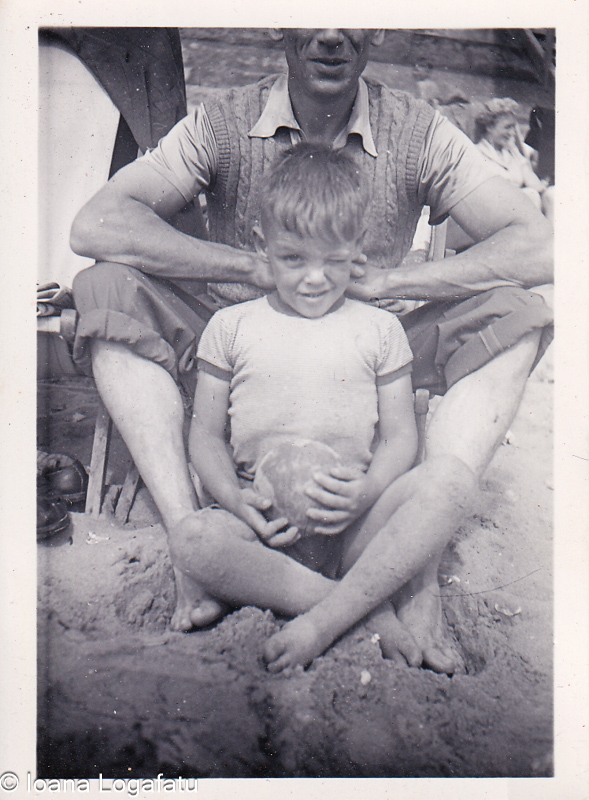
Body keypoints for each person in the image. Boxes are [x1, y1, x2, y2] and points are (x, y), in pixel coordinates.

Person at [70, 29, 553, 673]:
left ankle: (413, 571)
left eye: (350, 14)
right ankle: (197, 553)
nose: (329, 33)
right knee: (104, 286)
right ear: (278, 24)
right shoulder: (222, 123)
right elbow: (94, 226)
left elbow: (539, 247)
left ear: (377, 28)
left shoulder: (419, 130)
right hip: (242, 331)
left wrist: (393, 281)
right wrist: (249, 266)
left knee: (520, 311)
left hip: (372, 340)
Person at [172, 143, 426, 669]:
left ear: (359, 249)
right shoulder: (232, 327)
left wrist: (369, 491)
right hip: (263, 527)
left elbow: (401, 436)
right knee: (194, 538)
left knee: (448, 482)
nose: (315, 279)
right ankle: (353, 608)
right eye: (293, 259)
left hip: (350, 523)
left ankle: (292, 598)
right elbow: (205, 436)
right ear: (263, 244)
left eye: (334, 261)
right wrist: (235, 501)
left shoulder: (379, 329)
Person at [474, 97, 554, 226]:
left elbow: (535, 186)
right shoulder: (476, 153)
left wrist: (518, 155)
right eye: (507, 127)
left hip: (518, 208)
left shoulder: (512, 154)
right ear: (489, 127)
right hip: (491, 209)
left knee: (552, 195)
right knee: (530, 195)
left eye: (513, 128)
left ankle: (553, 242)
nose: (512, 133)